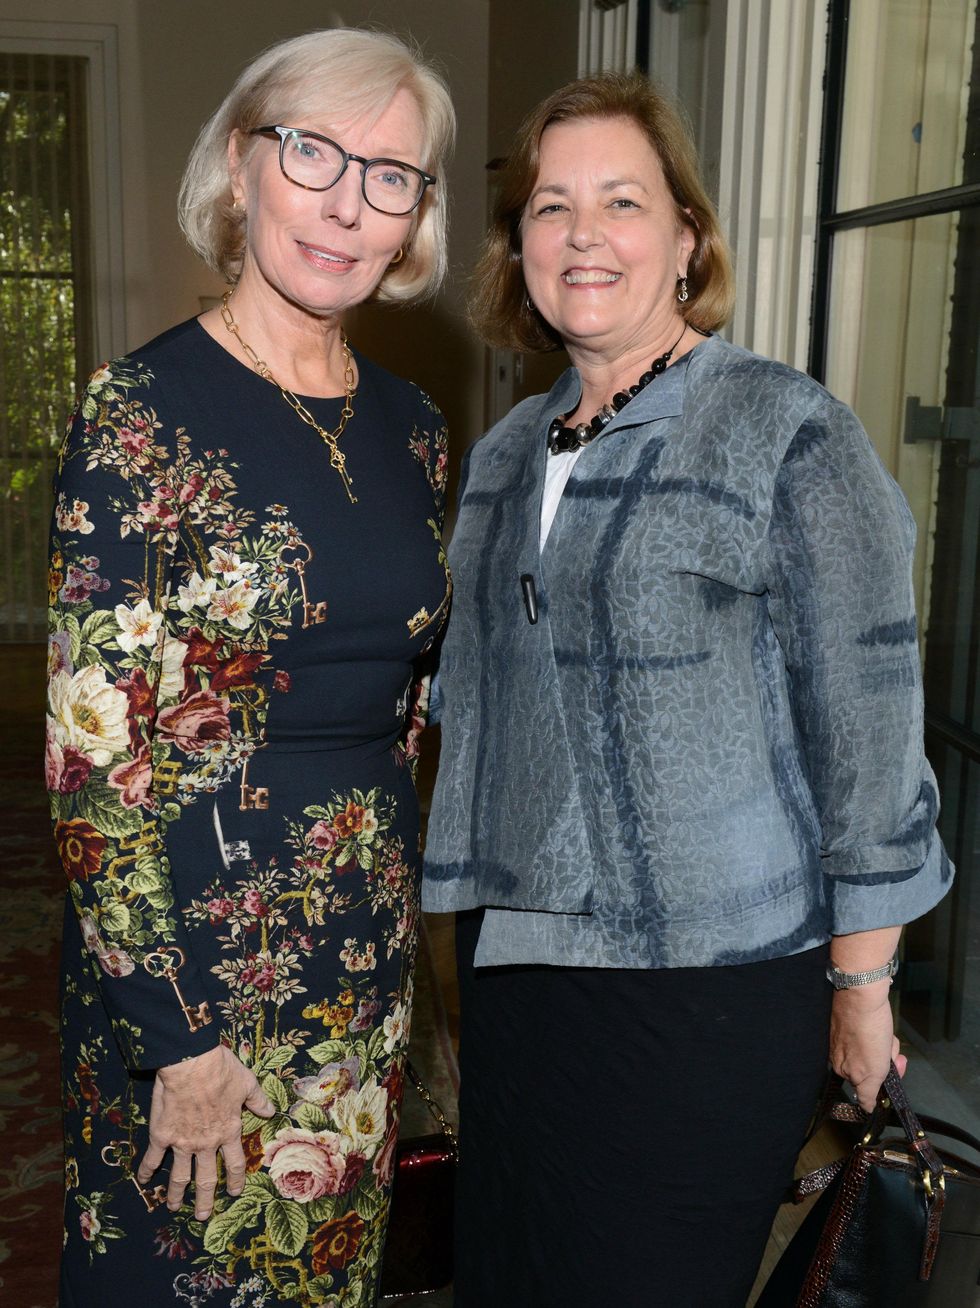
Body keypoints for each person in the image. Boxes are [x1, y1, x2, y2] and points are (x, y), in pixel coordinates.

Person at [422, 72, 953, 1306]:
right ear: (518, 248)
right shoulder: (502, 455)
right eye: (550, 207)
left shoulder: (784, 431)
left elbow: (869, 736)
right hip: (515, 971)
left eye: (622, 201)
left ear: (685, 239)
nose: (583, 235)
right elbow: (474, 699)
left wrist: (860, 987)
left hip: (704, 991)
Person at [46, 28, 454, 1306]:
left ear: (416, 212)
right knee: (187, 1273)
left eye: (390, 174)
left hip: (360, 953)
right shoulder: (137, 414)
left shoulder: (415, 426)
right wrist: (175, 1040)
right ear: (240, 165)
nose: (347, 204)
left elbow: (403, 707)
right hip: (194, 967)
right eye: (311, 152)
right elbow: (90, 763)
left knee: (331, 1273)